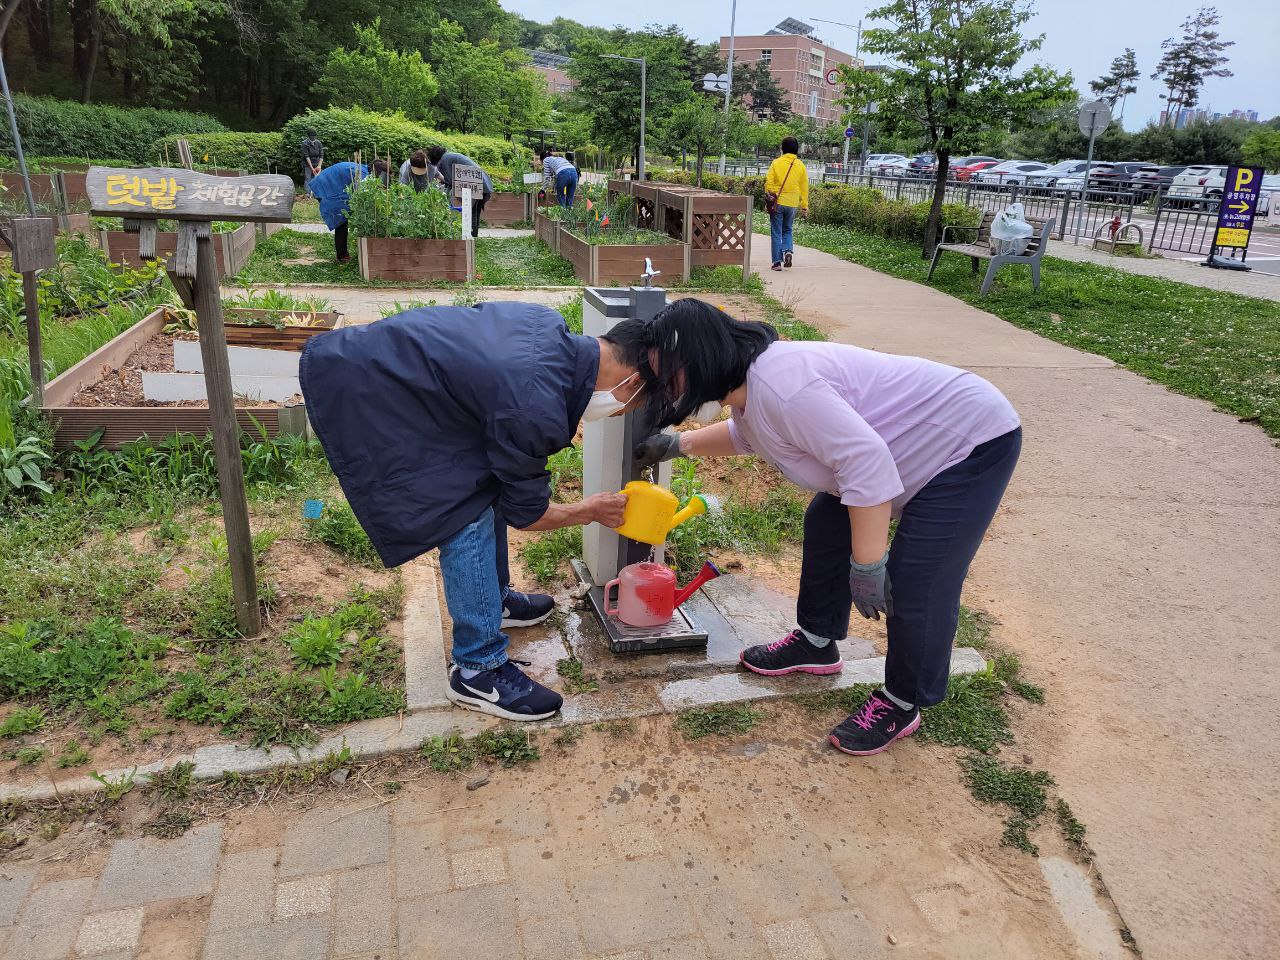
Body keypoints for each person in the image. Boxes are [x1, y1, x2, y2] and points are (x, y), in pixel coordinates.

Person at [627, 300, 1022, 757]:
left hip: (967, 438)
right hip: (897, 445)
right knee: (826, 522)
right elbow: (747, 436)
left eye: (670, 376)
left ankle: (903, 700)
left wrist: (869, 564)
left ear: (700, 359)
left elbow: (866, 463)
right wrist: (678, 444)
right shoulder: (749, 388)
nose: (667, 389)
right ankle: (817, 644)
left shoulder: (782, 387)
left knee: (918, 580)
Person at [298, 301, 642, 721]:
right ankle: (477, 670)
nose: (625, 413)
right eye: (635, 406)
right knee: (463, 511)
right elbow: (527, 514)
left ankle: (492, 601)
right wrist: (588, 510)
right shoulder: (534, 401)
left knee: (485, 482)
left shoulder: (546, 327)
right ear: (630, 383)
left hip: (397, 378)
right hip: (370, 391)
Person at [307, 160, 365, 263]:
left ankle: (342, 254)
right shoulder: (363, 174)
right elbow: (358, 195)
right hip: (326, 188)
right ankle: (342, 256)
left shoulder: (361, 168)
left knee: (341, 219)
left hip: (326, 185)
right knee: (341, 220)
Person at [427, 145, 492, 237]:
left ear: (435, 157)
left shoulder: (445, 159)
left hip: (476, 184)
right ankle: (474, 237)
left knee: (471, 212)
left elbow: (449, 180)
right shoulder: (449, 155)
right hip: (482, 183)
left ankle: (471, 237)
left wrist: (444, 195)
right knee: (475, 211)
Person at [764, 136, 809, 271]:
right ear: (796, 149)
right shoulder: (800, 165)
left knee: (776, 232)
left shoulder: (776, 163)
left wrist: (770, 195)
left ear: (783, 148)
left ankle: (777, 262)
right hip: (793, 203)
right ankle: (788, 250)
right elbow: (804, 187)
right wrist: (804, 206)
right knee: (787, 229)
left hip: (778, 202)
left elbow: (769, 182)